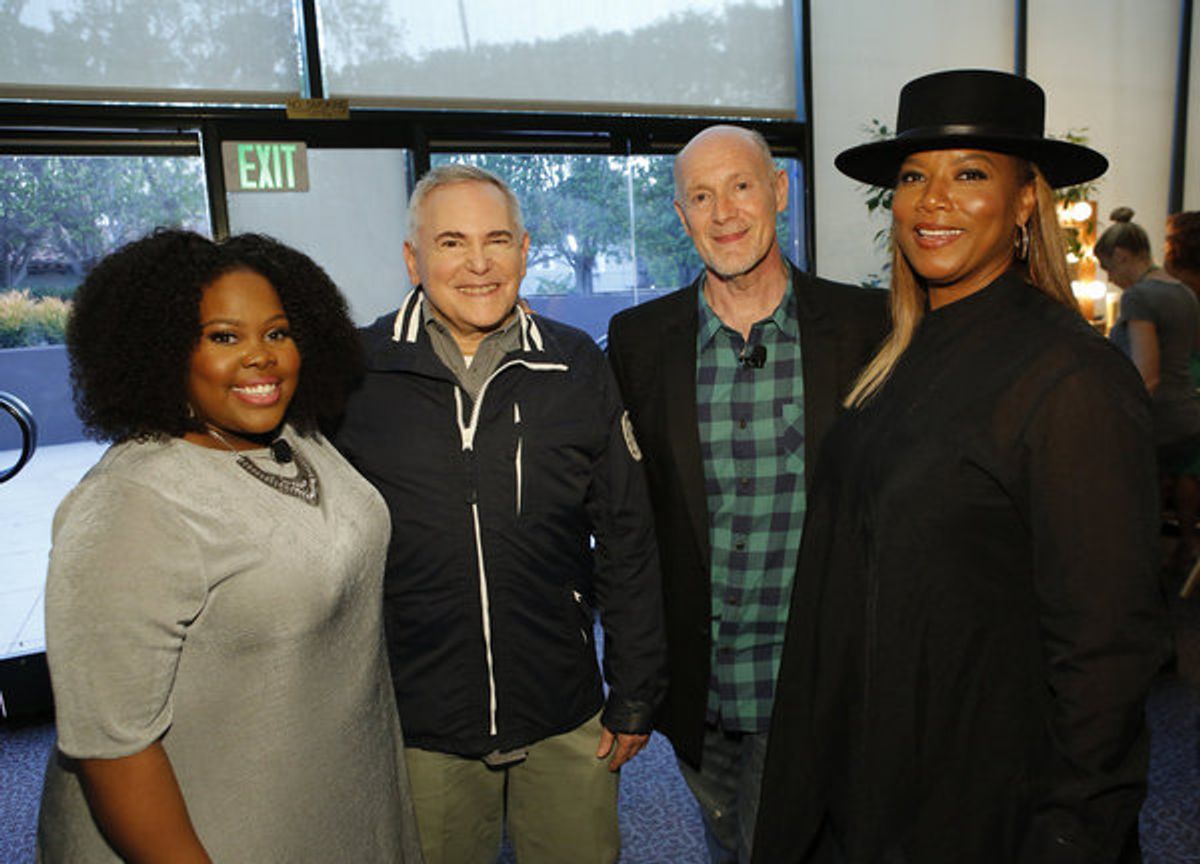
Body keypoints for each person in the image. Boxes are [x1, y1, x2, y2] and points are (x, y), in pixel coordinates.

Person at [753, 69, 1169, 864]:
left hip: (983, 806)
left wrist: (1070, 835)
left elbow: (1107, 653)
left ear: (1025, 201)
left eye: (970, 174)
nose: (932, 200)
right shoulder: (895, 355)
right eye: (914, 177)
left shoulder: (1069, 378)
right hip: (871, 780)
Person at [36, 230, 424, 862]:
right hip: (212, 832)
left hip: (333, 798)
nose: (260, 357)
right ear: (161, 349)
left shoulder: (296, 436)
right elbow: (114, 750)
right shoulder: (131, 504)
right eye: (224, 337)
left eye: (277, 332)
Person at [333, 164, 666, 864]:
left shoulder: (574, 364)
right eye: (452, 242)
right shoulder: (356, 374)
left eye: (497, 240)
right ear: (413, 259)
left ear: (524, 250)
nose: (479, 263)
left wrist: (635, 689)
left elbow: (627, 535)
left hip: (564, 711)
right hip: (423, 725)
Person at [606, 125, 888, 863]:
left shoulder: (867, 325)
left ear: (779, 192)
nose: (724, 212)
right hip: (702, 685)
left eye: (740, 186)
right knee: (729, 840)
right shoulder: (638, 340)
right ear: (681, 216)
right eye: (701, 197)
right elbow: (631, 519)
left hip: (815, 679)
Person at [1099, 207, 1200, 570]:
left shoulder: (1139, 297)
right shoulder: (1183, 292)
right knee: (1168, 483)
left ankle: (1134, 567)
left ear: (1122, 255)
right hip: (1187, 416)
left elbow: (1147, 374)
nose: (1111, 279)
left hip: (1157, 418)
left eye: (1108, 268)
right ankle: (1172, 554)